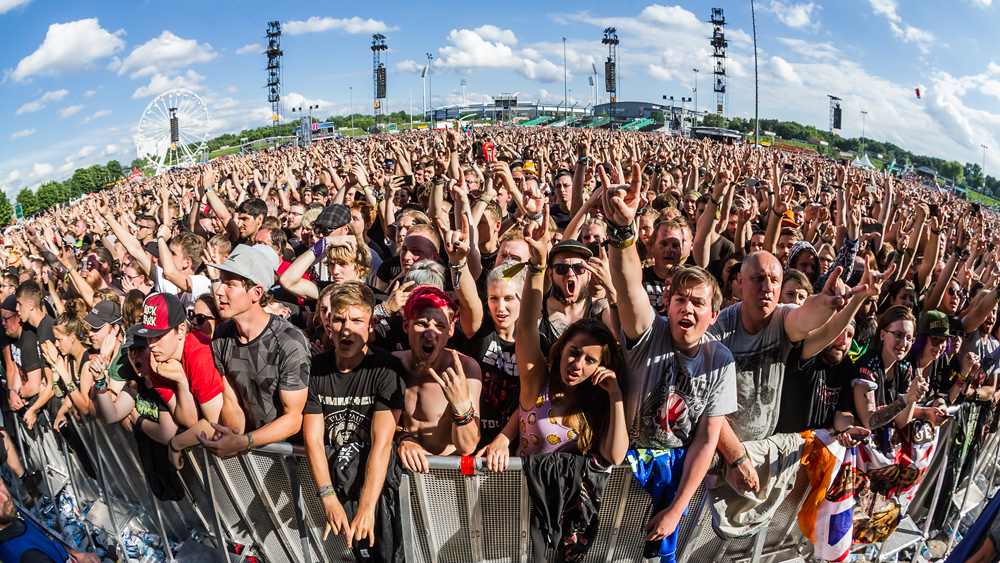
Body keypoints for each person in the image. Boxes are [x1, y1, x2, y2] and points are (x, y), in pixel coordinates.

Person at [481, 205, 627, 470]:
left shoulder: (598, 399)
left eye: (589, 359)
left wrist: (615, 396)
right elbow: (525, 327)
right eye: (573, 352)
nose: (577, 364)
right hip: (525, 502)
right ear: (560, 350)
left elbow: (615, 457)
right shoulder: (538, 383)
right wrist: (536, 266)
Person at [302, 282, 404, 557]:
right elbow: (311, 439)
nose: (346, 327)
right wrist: (327, 497)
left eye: (356, 320)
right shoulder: (315, 370)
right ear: (328, 325)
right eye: (339, 319)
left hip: (374, 491)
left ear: (371, 326)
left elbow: (382, 443)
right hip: (329, 485)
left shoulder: (386, 368)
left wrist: (367, 508)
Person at [198, 244, 310, 457]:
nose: (219, 290)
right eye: (220, 281)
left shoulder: (289, 341)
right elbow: (232, 401)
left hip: (292, 458)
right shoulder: (222, 334)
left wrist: (244, 441)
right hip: (252, 453)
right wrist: (232, 435)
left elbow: (294, 419)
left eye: (230, 284)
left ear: (256, 292)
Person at [394, 286, 482, 472]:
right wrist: (403, 438)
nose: (431, 334)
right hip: (404, 474)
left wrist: (460, 405)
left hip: (447, 476)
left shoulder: (465, 369)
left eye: (440, 326)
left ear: (450, 331)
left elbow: (467, 447)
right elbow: (376, 420)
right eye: (422, 324)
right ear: (405, 325)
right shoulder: (394, 363)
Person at [0, 439, 101, 563]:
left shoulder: (6, 515)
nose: (4, 498)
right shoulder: (28, 556)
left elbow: (3, 439)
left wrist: (76, 554)